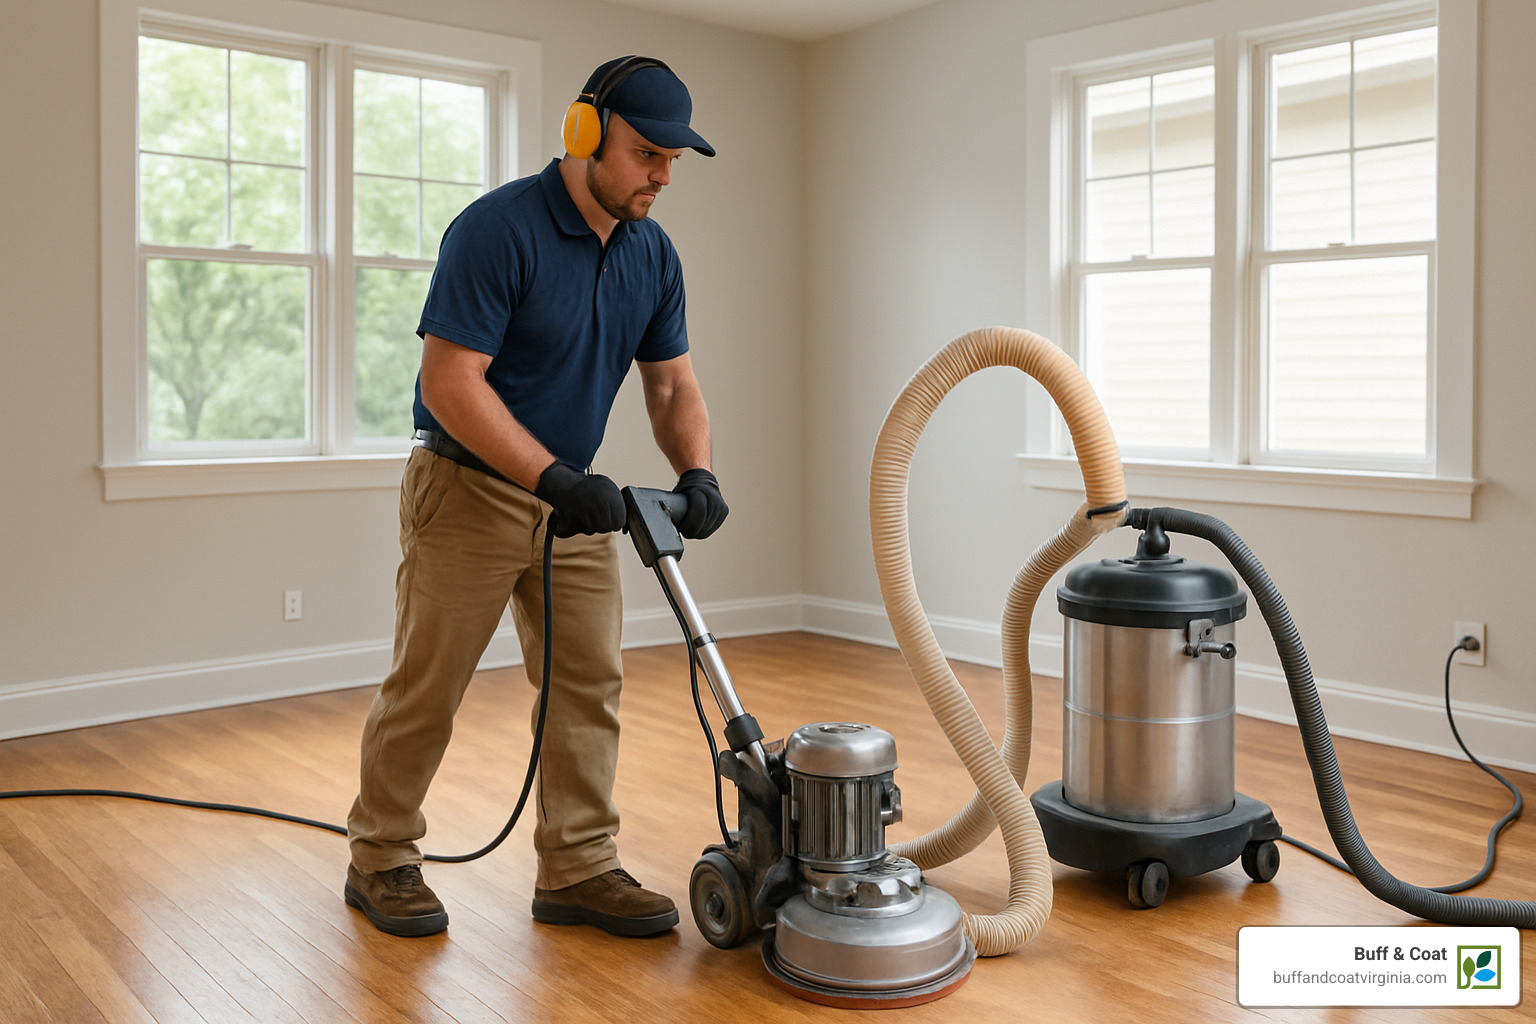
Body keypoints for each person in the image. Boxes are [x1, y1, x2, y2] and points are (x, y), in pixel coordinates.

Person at [343, 56, 728, 940]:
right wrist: (550, 475)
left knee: (589, 683)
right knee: (429, 685)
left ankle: (578, 866)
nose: (662, 176)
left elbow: (670, 387)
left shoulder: (651, 252)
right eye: (646, 154)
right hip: (469, 490)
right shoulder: (498, 229)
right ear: (585, 134)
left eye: (674, 159)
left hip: (576, 506)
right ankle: (382, 856)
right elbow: (450, 383)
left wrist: (699, 473)